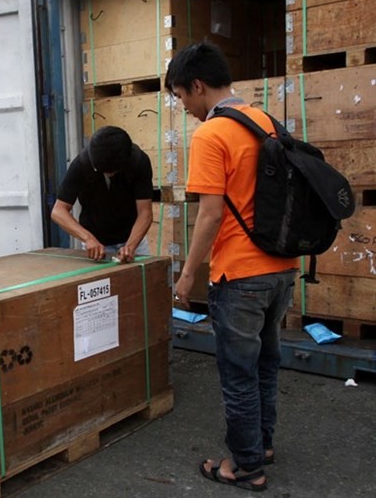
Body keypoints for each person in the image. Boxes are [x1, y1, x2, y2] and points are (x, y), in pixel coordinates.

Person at [166, 42, 298, 492]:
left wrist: (187, 274)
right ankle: (260, 445)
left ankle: (244, 466)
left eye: (182, 97)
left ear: (198, 85)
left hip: (240, 275)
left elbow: (211, 213)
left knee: (238, 372)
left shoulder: (211, 133)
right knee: (265, 363)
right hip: (283, 267)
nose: (184, 108)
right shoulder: (267, 122)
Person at [51, 125, 153, 263]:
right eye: (100, 170)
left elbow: (145, 212)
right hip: (94, 245)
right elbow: (58, 211)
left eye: (111, 172)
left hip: (133, 241)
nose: (106, 174)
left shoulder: (139, 161)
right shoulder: (82, 163)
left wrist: (130, 246)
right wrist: (87, 238)